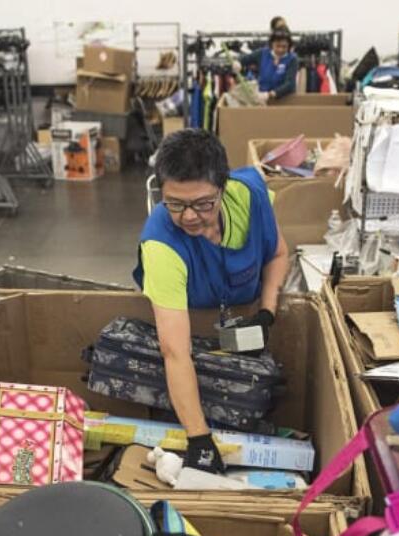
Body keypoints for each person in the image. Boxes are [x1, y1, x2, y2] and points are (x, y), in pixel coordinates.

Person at [133, 130, 289, 474]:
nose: (189, 216)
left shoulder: (249, 195)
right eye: (175, 203)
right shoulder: (161, 244)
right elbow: (175, 350)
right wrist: (199, 438)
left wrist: (266, 313)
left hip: (245, 327)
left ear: (224, 185)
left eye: (203, 203)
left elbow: (277, 253)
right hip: (190, 348)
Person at [239, 29, 297, 103]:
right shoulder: (262, 53)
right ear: (272, 44)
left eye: (284, 47)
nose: (280, 50)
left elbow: (289, 83)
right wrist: (238, 63)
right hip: (262, 99)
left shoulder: (292, 59)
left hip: (285, 100)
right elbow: (245, 59)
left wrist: (270, 94)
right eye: (278, 46)